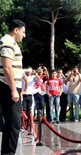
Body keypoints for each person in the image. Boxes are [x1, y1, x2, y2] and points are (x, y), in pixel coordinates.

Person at [0, 19, 26, 155]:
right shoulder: (7, 42)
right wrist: (14, 90)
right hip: (7, 86)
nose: (24, 35)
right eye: (23, 31)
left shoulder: (12, 43)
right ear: (16, 30)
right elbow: (7, 67)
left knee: (12, 124)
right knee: (13, 125)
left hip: (11, 86)